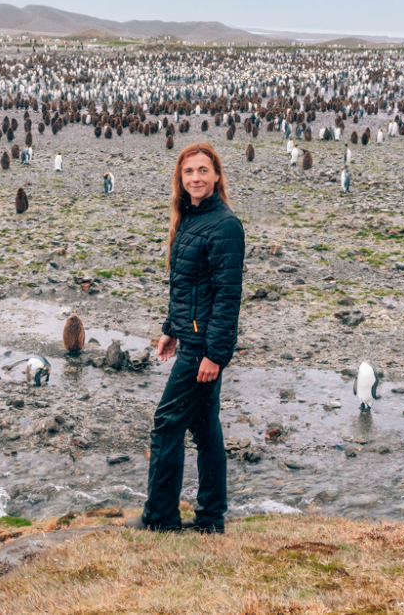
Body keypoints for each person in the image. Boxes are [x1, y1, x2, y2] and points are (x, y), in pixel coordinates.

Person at [127, 142, 245, 534]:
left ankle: (160, 518)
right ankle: (211, 518)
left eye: (202, 171)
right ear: (181, 178)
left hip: (203, 348)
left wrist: (215, 354)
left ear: (216, 176)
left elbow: (227, 296)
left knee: (166, 424)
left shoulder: (225, 225)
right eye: (188, 171)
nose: (195, 177)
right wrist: (170, 329)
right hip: (192, 338)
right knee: (206, 428)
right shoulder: (191, 219)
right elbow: (188, 286)